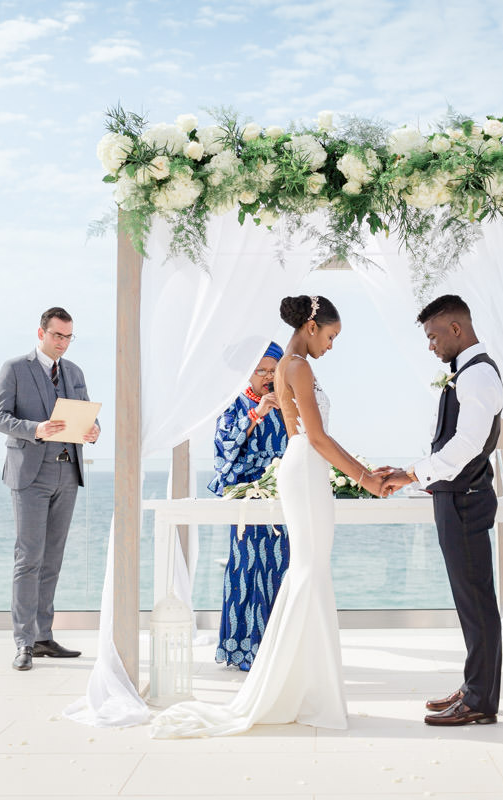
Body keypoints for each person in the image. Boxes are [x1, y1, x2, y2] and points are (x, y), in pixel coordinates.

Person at [150, 295, 385, 738]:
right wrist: (366, 478)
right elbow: (316, 436)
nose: (332, 346)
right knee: (308, 571)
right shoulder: (295, 367)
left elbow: (303, 433)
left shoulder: (288, 369)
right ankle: (296, 678)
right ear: (312, 327)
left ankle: (295, 675)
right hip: (302, 468)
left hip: (298, 470)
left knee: (303, 571)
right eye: (331, 336)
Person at [379, 294, 503, 726]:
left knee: (476, 601)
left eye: (433, 336)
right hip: (456, 498)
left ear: (456, 329)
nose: (430, 346)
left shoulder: (478, 375)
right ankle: (476, 686)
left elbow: (468, 444)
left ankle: (480, 700)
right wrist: (411, 472)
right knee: (470, 600)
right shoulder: (468, 373)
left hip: (465, 500)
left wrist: (412, 474)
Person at [0, 307, 98, 671]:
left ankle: (42, 636)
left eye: (68, 337)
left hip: (68, 473)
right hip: (30, 476)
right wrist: (36, 429)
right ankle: (23, 642)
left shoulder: (75, 372)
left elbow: (86, 413)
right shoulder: (15, 369)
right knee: (28, 559)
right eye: (57, 336)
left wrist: (94, 429)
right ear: (41, 333)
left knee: (52, 560)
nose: (63, 343)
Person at [208, 342, 290, 671]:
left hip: (282, 497)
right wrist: (256, 415)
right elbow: (223, 451)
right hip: (246, 499)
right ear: (248, 373)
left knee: (281, 567)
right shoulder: (235, 404)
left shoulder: (289, 404)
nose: (269, 378)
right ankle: (245, 648)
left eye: (274, 371)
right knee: (246, 569)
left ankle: (278, 647)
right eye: (262, 371)